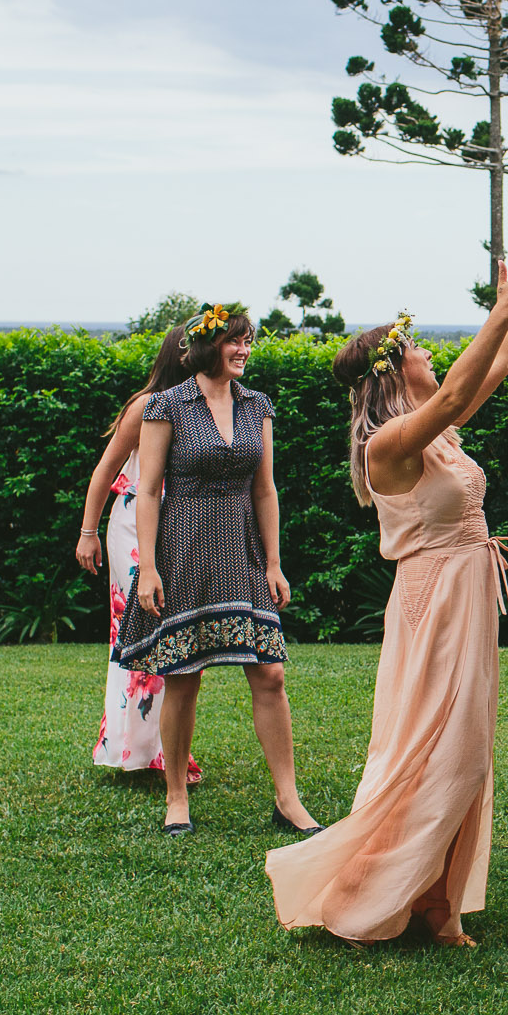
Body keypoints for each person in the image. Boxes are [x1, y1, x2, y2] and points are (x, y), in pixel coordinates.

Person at [267, 237, 508, 948]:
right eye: (418, 347)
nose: (431, 355)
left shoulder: (436, 435)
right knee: (437, 749)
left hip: (465, 593)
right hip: (433, 603)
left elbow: (493, 368)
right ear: (394, 369)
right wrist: (502, 304)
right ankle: (371, 893)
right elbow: (451, 391)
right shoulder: (389, 443)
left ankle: (439, 902)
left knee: (466, 747)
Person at [116, 303, 315, 838]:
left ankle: (288, 799)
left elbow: (265, 489)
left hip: (243, 552)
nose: (245, 350)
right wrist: (150, 567)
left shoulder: (258, 406)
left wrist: (274, 562)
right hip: (183, 550)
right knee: (183, 677)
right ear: (209, 346)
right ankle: (176, 796)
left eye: (248, 341)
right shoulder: (166, 406)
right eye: (235, 341)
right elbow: (150, 490)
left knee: (270, 674)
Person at [74, 323, 201, 783]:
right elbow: (105, 469)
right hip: (132, 527)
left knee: (174, 639)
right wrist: (88, 531)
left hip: (176, 529)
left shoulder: (201, 406)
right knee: (141, 633)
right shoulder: (146, 406)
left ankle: (160, 748)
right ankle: (139, 750)